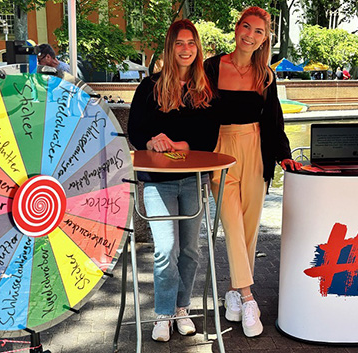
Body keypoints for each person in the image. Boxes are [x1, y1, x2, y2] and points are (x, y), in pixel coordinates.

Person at [204, 6, 301, 338]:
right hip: (220, 149)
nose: (251, 35)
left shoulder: (266, 75)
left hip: (256, 147)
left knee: (248, 227)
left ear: (264, 39)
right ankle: (247, 298)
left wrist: (284, 156)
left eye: (259, 32)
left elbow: (274, 120)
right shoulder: (212, 67)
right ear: (236, 29)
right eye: (247, 27)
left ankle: (232, 292)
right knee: (231, 223)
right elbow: (196, 108)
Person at [128, 19, 218, 342]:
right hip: (157, 181)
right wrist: (151, 140)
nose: (186, 49)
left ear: (198, 48)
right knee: (167, 248)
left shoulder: (205, 91)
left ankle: (183, 308)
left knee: (191, 250)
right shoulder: (149, 87)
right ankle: (163, 313)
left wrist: (183, 145)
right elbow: (135, 132)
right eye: (179, 43)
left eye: (191, 43)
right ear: (170, 47)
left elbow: (209, 138)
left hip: (193, 180)